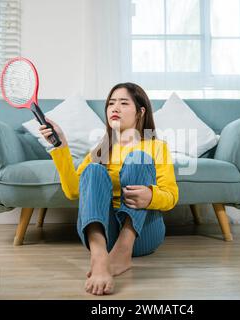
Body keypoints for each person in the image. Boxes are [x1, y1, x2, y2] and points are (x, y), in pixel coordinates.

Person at [39, 82, 179, 296]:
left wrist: (151, 196)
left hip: (142, 235)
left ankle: (123, 250)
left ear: (140, 112)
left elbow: (171, 196)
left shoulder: (156, 147)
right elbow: (74, 191)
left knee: (138, 159)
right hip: (104, 234)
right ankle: (99, 256)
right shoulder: (101, 150)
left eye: (124, 103)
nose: (115, 108)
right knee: (93, 170)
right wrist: (62, 146)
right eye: (111, 103)